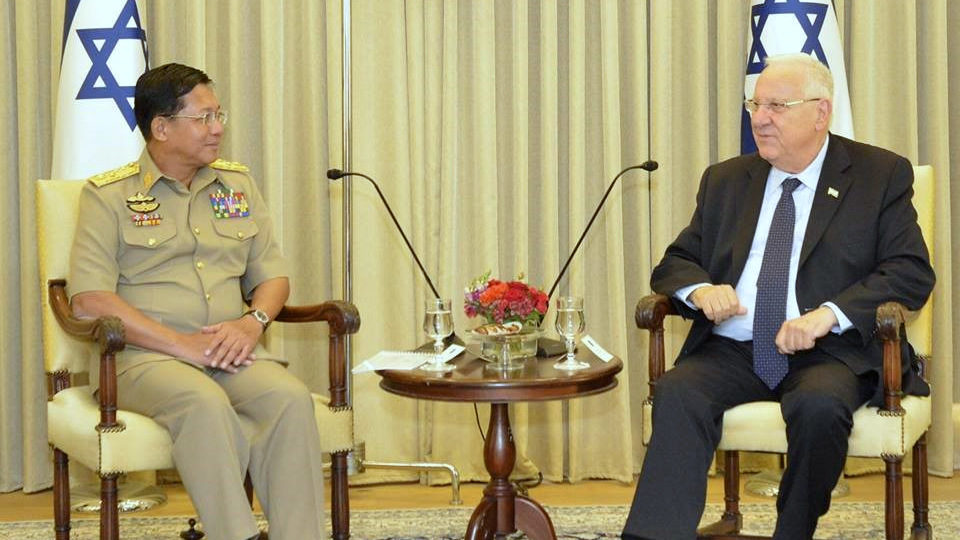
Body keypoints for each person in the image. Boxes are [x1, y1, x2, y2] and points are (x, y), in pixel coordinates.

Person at [621, 53, 935, 540]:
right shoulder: (726, 180)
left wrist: (828, 315)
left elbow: (910, 271)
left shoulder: (878, 175)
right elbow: (675, 262)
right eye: (755, 104)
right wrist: (701, 289)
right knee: (678, 392)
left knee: (819, 408)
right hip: (733, 348)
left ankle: (793, 532)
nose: (760, 118)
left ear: (821, 112)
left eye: (777, 106)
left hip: (829, 352)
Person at [69, 63, 325, 540]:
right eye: (204, 118)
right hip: (141, 359)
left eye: (218, 115)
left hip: (229, 350)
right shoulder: (108, 197)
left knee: (289, 399)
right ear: (161, 128)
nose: (218, 128)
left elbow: (273, 276)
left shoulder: (237, 186)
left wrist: (252, 322)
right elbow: (88, 300)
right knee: (202, 402)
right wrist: (181, 345)